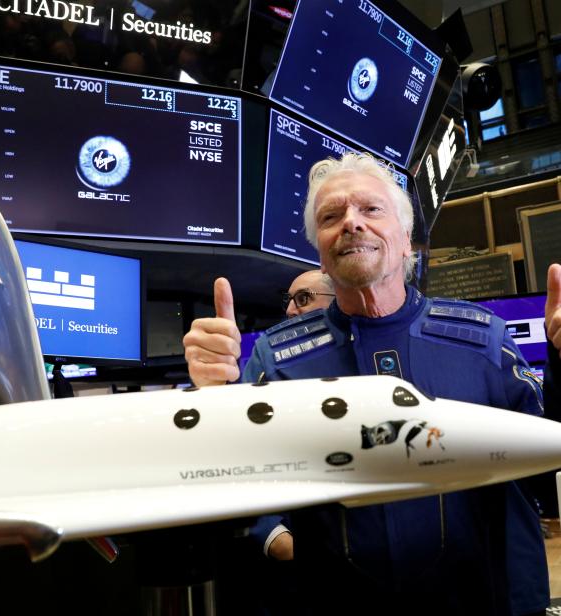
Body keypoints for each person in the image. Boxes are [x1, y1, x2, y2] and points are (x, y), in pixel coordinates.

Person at [183, 153, 561, 616]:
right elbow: (233, 478)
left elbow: (549, 457)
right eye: (331, 216)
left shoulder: (483, 340)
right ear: (320, 253)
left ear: (407, 242)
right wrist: (211, 401)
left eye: (371, 209)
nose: (351, 223)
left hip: (486, 599)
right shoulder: (276, 360)